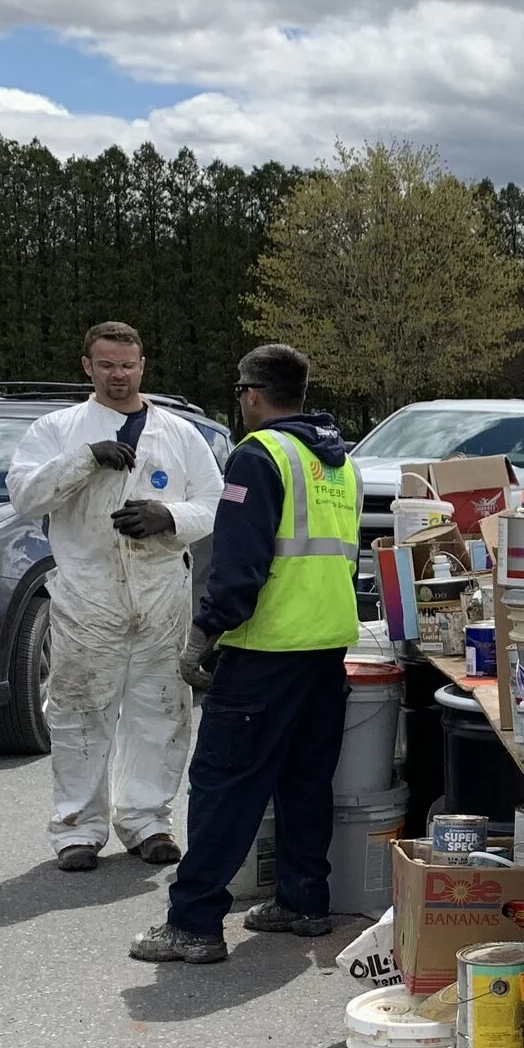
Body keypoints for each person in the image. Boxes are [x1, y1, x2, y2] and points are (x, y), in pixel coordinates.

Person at [131, 344, 360, 964]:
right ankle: (302, 901)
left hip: (265, 649)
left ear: (251, 393)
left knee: (223, 784)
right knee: (303, 779)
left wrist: (204, 633)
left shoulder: (259, 455)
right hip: (325, 645)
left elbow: (240, 566)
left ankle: (194, 922)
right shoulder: (337, 461)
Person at [6, 322, 223, 872]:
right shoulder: (58, 429)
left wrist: (168, 516)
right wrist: (82, 460)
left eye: (127, 365)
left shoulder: (178, 433)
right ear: (87, 367)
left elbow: (215, 502)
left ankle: (147, 820)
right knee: (81, 710)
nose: (118, 375)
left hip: (159, 593)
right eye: (106, 365)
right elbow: (26, 497)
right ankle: (77, 827)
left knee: (161, 712)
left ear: (143, 365)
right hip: (88, 594)